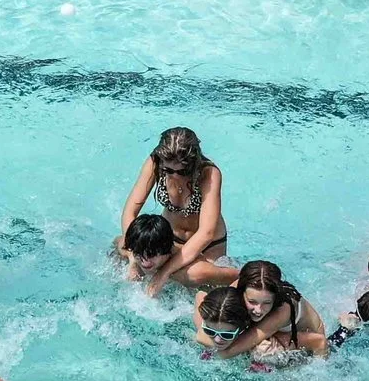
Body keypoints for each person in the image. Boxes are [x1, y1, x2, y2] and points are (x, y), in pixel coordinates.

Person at [115, 125, 230, 286]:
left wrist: (163, 273)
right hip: (169, 240)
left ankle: (239, 274)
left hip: (207, 245)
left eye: (182, 171)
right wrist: (135, 253)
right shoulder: (155, 163)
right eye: (168, 170)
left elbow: (207, 233)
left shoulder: (209, 173)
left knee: (195, 276)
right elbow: (130, 212)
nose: (175, 176)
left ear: (193, 164)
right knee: (120, 244)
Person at [209, 261, 328, 361]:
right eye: (252, 301)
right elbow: (202, 298)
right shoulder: (239, 288)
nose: (258, 310)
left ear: (275, 298)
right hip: (275, 331)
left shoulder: (281, 311)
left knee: (261, 350)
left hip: (309, 340)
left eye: (267, 303)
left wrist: (209, 346)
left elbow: (228, 352)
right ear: (241, 292)